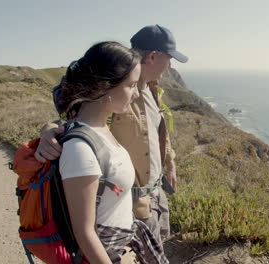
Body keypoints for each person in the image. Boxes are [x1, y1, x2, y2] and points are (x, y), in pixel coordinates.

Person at [36, 25, 188, 247]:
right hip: (129, 206)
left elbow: (158, 132)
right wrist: (48, 130)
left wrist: (170, 162)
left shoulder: (153, 89)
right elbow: (78, 121)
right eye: (169, 58)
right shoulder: (114, 93)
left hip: (156, 194)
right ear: (153, 56)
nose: (171, 65)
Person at [52, 41, 167, 264]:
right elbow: (85, 234)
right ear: (104, 86)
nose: (136, 94)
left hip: (123, 247)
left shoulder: (101, 128)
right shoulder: (81, 150)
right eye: (131, 85)